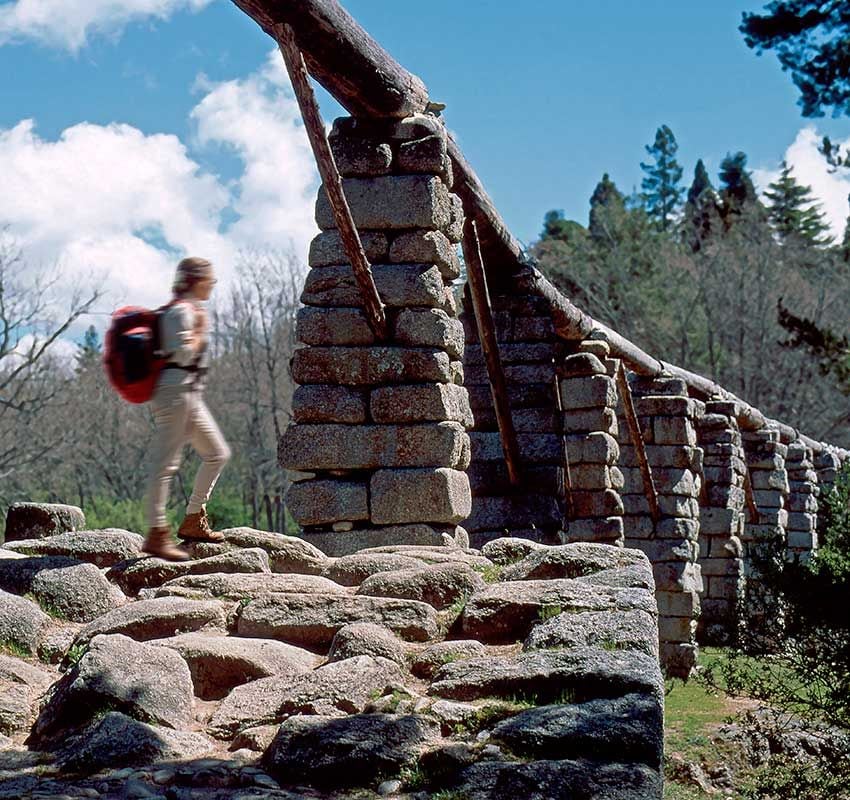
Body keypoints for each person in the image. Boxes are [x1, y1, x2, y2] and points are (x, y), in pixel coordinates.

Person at [141, 257, 231, 561]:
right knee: (165, 464)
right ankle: (157, 534)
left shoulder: (189, 309)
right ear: (196, 280)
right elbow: (180, 350)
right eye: (210, 279)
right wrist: (199, 332)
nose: (213, 285)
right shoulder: (181, 311)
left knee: (217, 453)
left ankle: (193, 519)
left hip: (188, 391)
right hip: (175, 389)